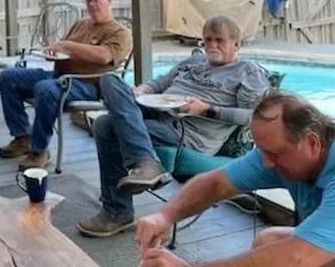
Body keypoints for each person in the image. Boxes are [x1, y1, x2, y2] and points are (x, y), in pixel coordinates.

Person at [77, 14, 271, 238]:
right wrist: (142, 91)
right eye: (208, 39)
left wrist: (206, 109)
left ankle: (118, 210)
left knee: (105, 125)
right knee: (110, 80)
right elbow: (159, 83)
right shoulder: (193, 62)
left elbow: (255, 117)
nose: (212, 45)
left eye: (220, 40)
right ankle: (145, 165)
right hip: (158, 111)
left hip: (185, 133)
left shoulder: (247, 71)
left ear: (236, 44)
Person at [137, 90, 335, 267]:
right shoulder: (278, 153)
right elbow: (215, 184)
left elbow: (299, 257)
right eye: (263, 151)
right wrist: (164, 216)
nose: (266, 164)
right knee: (269, 240)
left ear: (312, 142)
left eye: (275, 153)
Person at [0, 0, 133, 170]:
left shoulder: (120, 33)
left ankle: (39, 150)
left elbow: (104, 56)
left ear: (109, 1)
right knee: (8, 77)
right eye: (89, 1)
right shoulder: (81, 24)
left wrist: (68, 46)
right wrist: (53, 51)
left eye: (97, 0)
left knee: (45, 89)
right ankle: (22, 138)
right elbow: (62, 45)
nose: (92, 5)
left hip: (88, 84)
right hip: (59, 74)